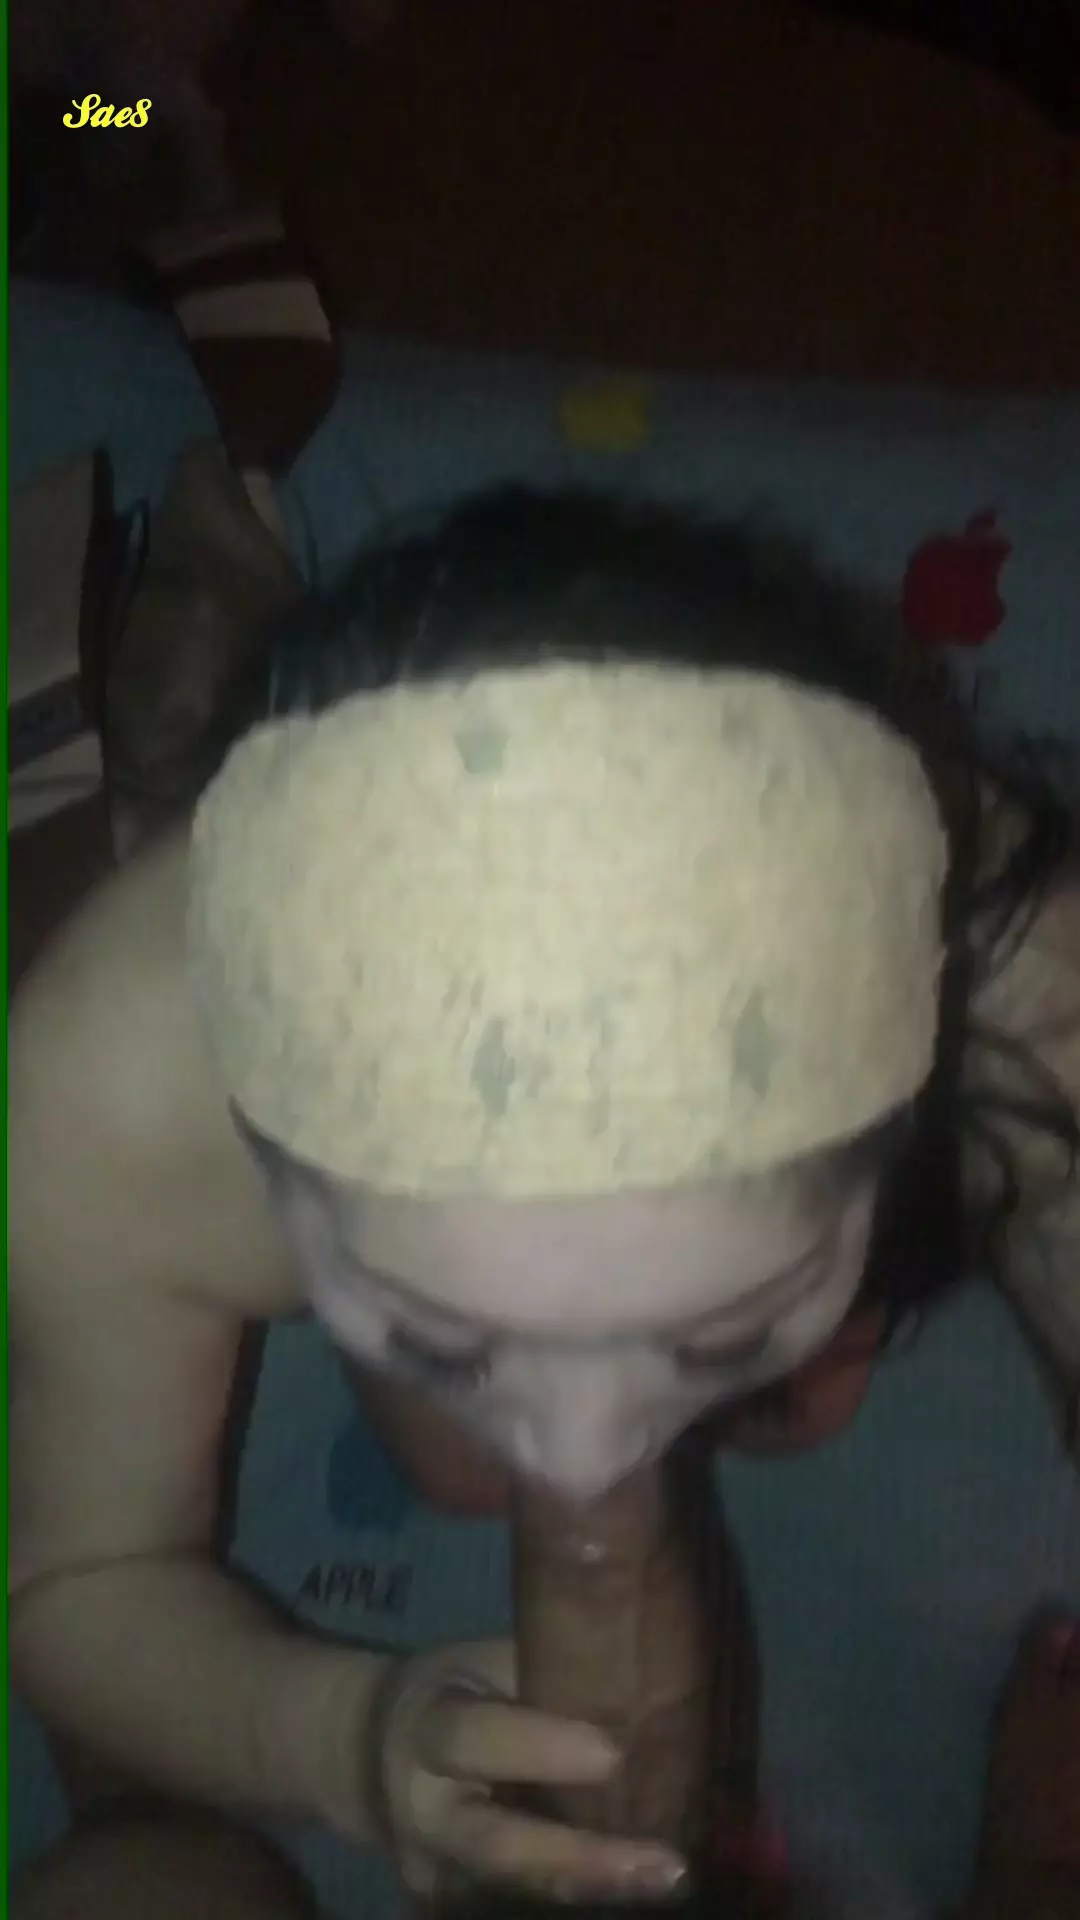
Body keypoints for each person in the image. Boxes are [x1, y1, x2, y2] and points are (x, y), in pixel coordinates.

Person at [10, 489, 1080, 1915]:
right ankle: (173, 745)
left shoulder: (1021, 983)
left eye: (719, 1328)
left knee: (758, 1409)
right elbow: (80, 1578)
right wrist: (338, 1735)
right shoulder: (107, 1100)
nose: (579, 1460)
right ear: (263, 1153)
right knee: (471, 1464)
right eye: (442, 1334)